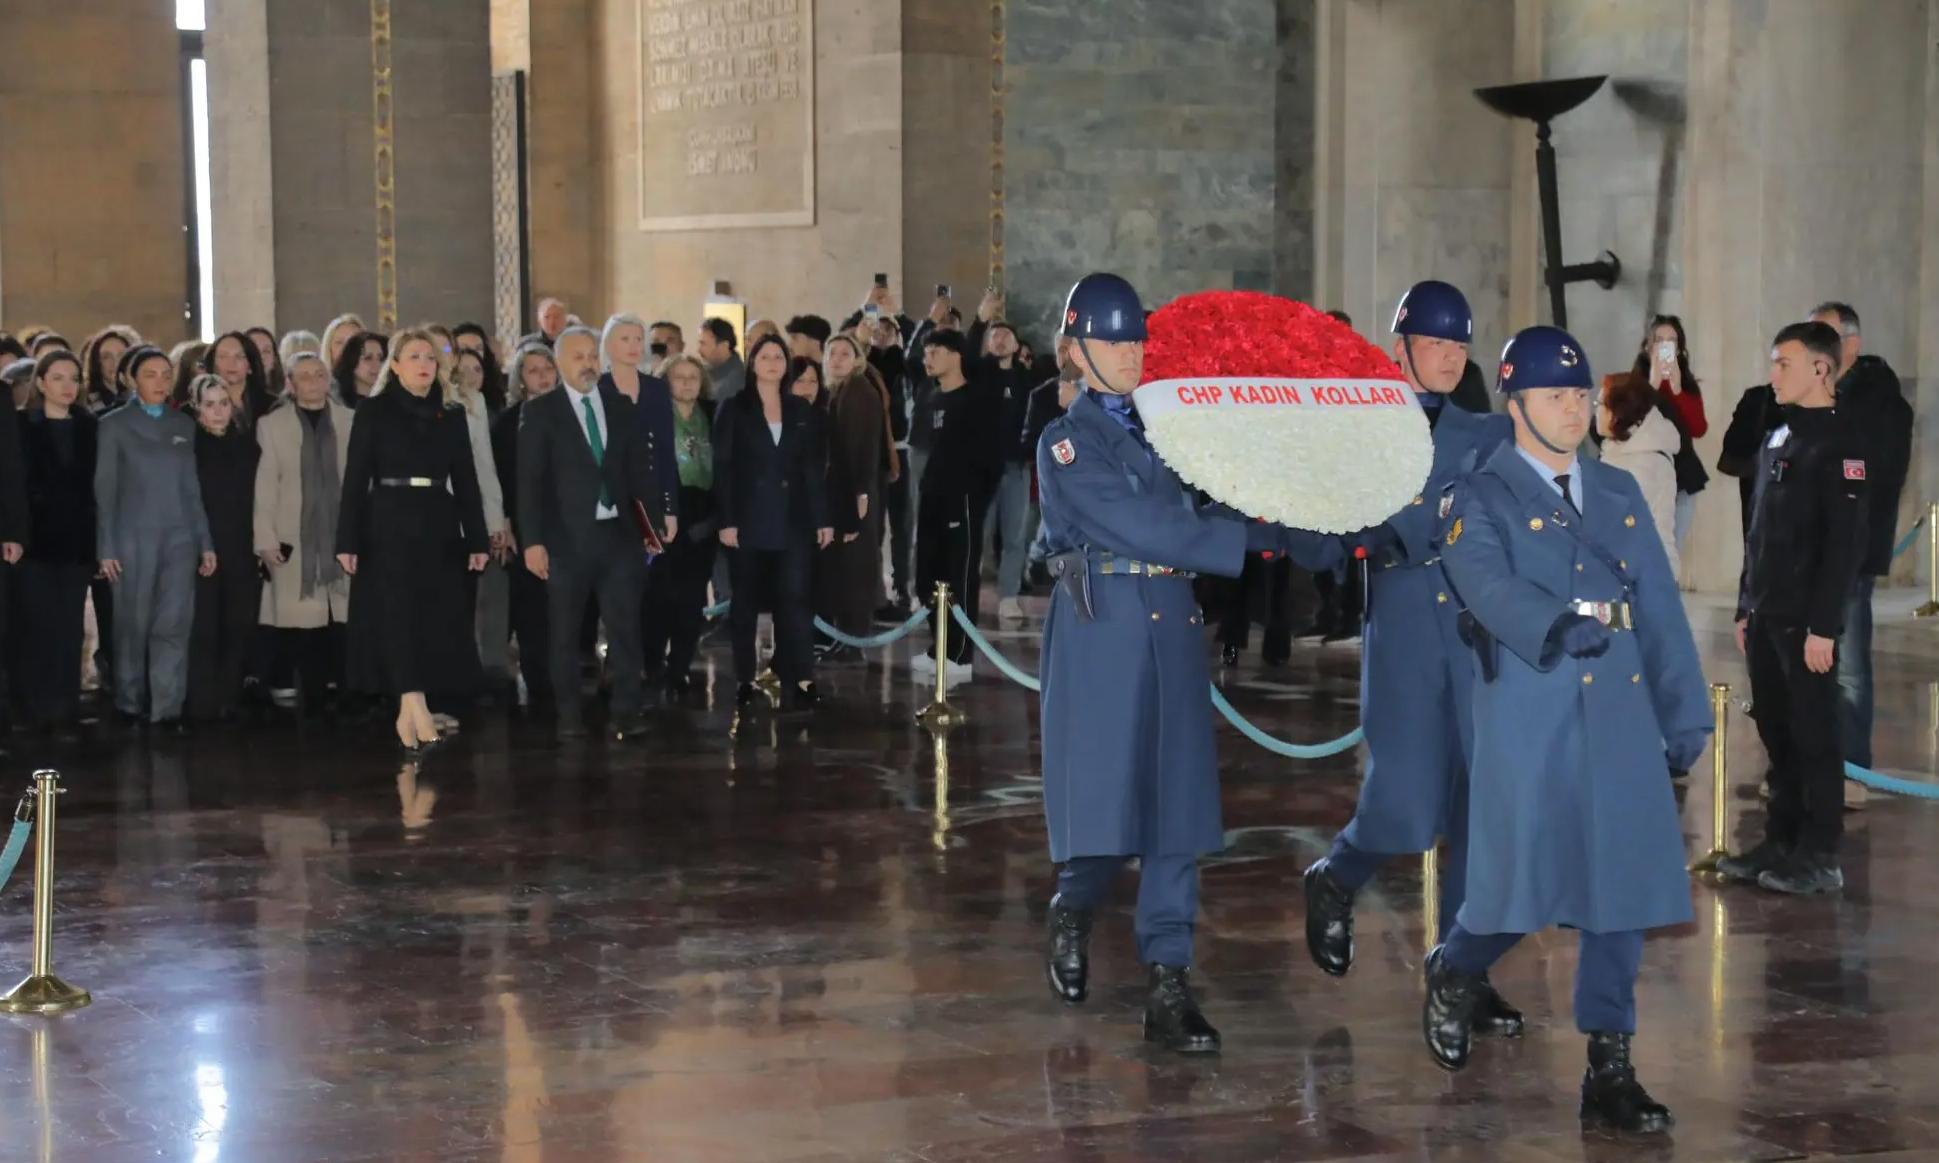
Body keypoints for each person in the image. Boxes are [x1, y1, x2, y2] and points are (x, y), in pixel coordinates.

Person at [1432, 324, 1708, 1133]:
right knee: (1517, 888)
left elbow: (1655, 605)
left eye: (1580, 393)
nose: (1572, 408)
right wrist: (1551, 623)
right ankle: (1454, 966)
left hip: (1617, 705)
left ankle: (1609, 1064)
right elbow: (1479, 578)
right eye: (1555, 394)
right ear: (1514, 402)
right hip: (1530, 702)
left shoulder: (1616, 493)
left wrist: (1682, 708)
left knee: (1617, 890)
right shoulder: (1476, 494)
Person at [1035, 273, 1297, 1055]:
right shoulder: (1065, 443)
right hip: (1103, 627)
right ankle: (1074, 908)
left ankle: (1169, 980)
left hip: (1172, 623)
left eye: (1135, 340)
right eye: (1112, 341)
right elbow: (1139, 523)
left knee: (1176, 812)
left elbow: (1215, 497)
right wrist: (1241, 540)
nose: (1128, 354)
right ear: (1075, 351)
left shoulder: (1171, 430)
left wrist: (1285, 513)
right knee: (1106, 811)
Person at [1300, 281, 1523, 1038]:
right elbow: (1319, 533)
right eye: (1435, 344)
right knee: (1404, 796)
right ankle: (1335, 876)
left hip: (1474, 627)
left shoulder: (1485, 432)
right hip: (1401, 619)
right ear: (1398, 349)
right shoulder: (1359, 429)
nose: (1450, 356)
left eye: (1459, 346)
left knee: (1477, 808)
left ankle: (1463, 969)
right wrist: (1347, 533)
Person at [1720, 320, 1870, 896]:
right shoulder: (1780, 436)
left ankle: (1819, 852)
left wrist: (1823, 627)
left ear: (1820, 369)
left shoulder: (1841, 443)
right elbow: (1757, 529)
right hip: (1766, 614)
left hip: (1807, 619)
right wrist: (1744, 604)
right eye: (1773, 362)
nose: (1773, 373)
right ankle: (1780, 841)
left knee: (1815, 736)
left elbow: (1843, 547)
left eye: (1784, 363)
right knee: (1778, 735)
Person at [336, 329, 490, 756]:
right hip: (386, 521)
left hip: (437, 523)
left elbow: (467, 481)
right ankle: (411, 704)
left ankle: (416, 703)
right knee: (396, 614)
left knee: (430, 617)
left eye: (430, 356)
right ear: (396, 365)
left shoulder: (451, 413)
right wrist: (346, 540)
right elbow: (354, 479)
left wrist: (477, 538)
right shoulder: (374, 411)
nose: (424, 363)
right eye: (414, 355)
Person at [517, 326, 666, 741]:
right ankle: (569, 717)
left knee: (625, 629)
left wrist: (650, 533)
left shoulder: (620, 406)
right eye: (577, 356)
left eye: (590, 355)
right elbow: (528, 484)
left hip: (618, 539)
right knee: (564, 634)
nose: (587, 363)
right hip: (565, 542)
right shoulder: (542, 412)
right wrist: (532, 541)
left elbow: (641, 474)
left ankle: (627, 712)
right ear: (559, 364)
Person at [1809, 301, 1910, 782]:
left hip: (1850, 549)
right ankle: (1811, 768)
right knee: (1807, 661)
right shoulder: (1812, 395)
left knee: (1847, 662)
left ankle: (1852, 773)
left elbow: (1871, 474)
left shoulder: (1878, 400)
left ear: (1852, 343)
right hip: (1809, 548)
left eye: (1824, 335)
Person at [96, 345, 217, 733]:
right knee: (133, 623)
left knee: (174, 624)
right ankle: (129, 702)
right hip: (132, 539)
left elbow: (192, 489)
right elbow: (105, 491)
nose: (161, 382)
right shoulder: (113, 425)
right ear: (132, 379)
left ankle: (167, 709)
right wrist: (106, 546)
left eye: (166, 374)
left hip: (179, 538)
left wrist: (205, 541)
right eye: (150, 374)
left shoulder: (182, 425)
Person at [713, 333, 833, 711]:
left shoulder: (801, 409)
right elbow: (724, 468)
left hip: (793, 521)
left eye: (778, 356)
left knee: (795, 600)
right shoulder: (734, 408)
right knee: (745, 602)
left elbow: (813, 468)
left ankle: (801, 676)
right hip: (748, 521)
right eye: (764, 356)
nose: (772, 363)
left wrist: (822, 518)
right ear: (752, 364)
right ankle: (745, 678)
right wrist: (727, 520)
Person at [254, 351, 354, 710]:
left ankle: (337, 685)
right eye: (305, 376)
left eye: (320, 375)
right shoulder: (272, 425)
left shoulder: (351, 421)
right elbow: (265, 487)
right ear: (290, 384)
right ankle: (297, 683)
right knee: (298, 616)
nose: (313, 382)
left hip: (340, 534)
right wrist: (264, 539)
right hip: (292, 534)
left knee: (340, 614)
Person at [910, 329, 1000, 684]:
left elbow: (989, 462)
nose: (928, 358)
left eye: (935, 351)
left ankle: (960, 656)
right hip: (932, 499)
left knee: (958, 577)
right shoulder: (932, 398)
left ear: (956, 355)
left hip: (961, 502)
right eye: (926, 352)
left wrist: (972, 499)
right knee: (927, 578)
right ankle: (939, 646)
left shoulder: (975, 400)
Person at [16, 350, 94, 736]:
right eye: (59, 378)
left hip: (77, 544)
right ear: (41, 382)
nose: (68, 386)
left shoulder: (89, 427)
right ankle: (37, 708)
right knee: (37, 626)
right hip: (34, 545)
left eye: (74, 378)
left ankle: (66, 708)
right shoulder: (22, 427)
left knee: (70, 629)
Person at [186, 375, 262, 722]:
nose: (218, 412)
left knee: (237, 626)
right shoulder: (190, 449)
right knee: (204, 628)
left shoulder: (248, 447)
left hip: (242, 547)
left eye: (224, 403)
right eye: (210, 404)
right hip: (202, 548)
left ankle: (228, 700)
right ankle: (202, 703)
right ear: (197, 408)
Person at [642, 354, 716, 699]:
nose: (686, 383)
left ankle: (680, 666)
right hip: (663, 510)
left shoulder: (713, 416)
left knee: (691, 597)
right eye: (679, 377)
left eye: (693, 377)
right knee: (658, 595)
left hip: (702, 514)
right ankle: (652, 664)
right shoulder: (653, 416)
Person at [816, 336, 887, 657]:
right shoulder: (839, 391)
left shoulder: (858, 390)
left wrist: (859, 492)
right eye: (833, 353)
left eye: (846, 353)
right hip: (846, 489)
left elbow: (859, 447)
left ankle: (854, 638)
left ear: (857, 358)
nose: (839, 359)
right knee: (844, 566)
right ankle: (846, 636)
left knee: (856, 564)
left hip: (855, 490)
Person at [599, 314, 679, 546]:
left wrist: (669, 507)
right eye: (625, 339)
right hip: (611, 501)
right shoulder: (597, 389)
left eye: (638, 339)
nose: (634, 346)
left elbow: (666, 451)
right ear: (608, 345)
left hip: (650, 498)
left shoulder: (656, 388)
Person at [1594, 372, 1681, 577]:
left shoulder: (1642, 465)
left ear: (1618, 413)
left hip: (1644, 577)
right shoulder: (1626, 451)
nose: (1595, 411)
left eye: (1600, 404)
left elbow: (1610, 529)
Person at [202, 331, 278, 427]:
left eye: (239, 357)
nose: (231, 363)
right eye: (223, 357)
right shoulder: (198, 407)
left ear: (250, 366)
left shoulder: (272, 407)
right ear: (213, 365)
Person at [78, 325, 138, 415]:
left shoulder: (145, 397)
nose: (115, 363)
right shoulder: (84, 402)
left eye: (121, 355)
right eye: (106, 357)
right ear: (97, 362)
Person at [331, 331, 387, 410]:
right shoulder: (336, 404)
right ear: (351, 360)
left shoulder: (393, 401)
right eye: (368, 358)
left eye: (381, 359)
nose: (377, 364)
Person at [696, 317, 745, 402]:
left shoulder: (736, 381)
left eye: (703, 344)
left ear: (724, 346)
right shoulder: (703, 371)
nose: (699, 350)